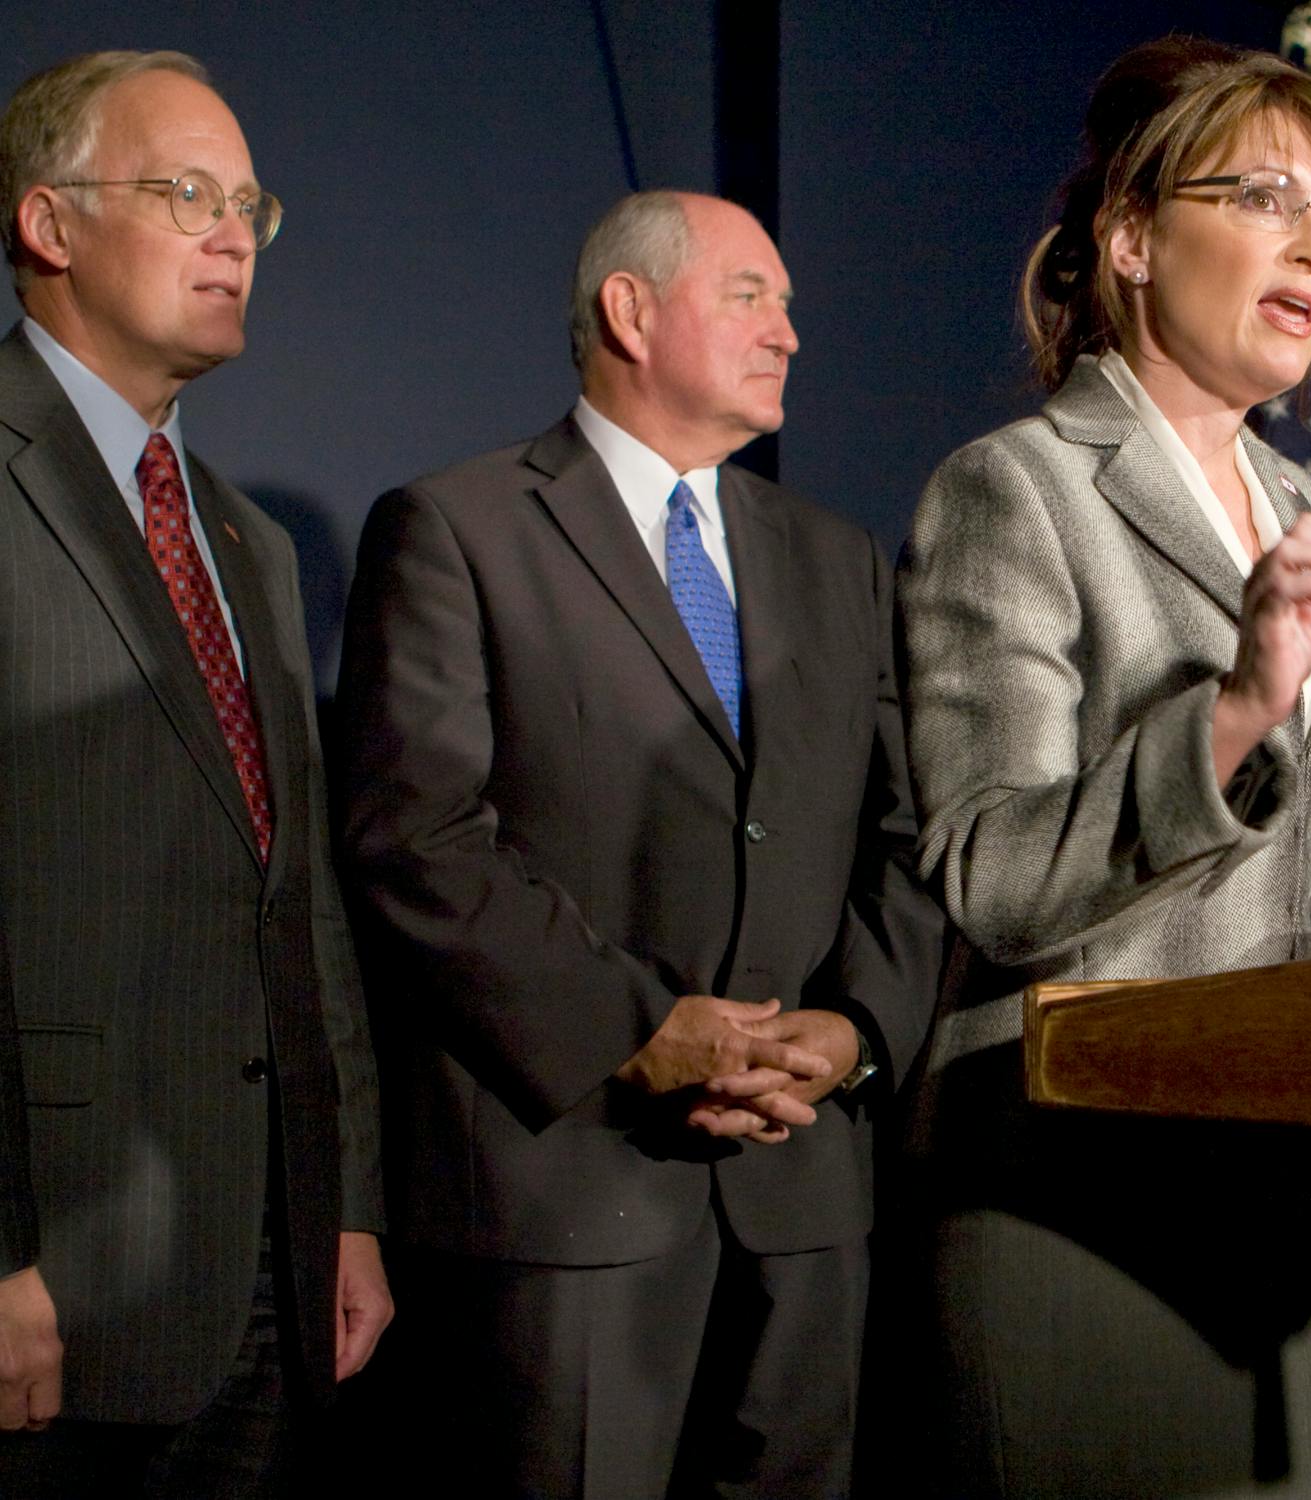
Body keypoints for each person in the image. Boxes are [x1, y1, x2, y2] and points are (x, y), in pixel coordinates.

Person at [893, 36, 1311, 1499]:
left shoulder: (1308, 495)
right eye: (1270, 197)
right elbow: (993, 874)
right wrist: (1229, 711)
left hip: (1288, 1189)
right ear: (1135, 239)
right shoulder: (1013, 489)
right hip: (1082, 1191)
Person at [333, 190, 941, 1499]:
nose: (790, 331)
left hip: (802, 1200)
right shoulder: (458, 529)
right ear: (628, 308)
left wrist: (853, 1038)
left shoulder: (837, 558)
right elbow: (416, 839)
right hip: (568, 1200)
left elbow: (907, 833)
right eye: (751, 296)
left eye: (787, 304)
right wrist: (641, 1026)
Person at [0, 49, 390, 1495]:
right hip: (57, 1275)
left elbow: (298, 903)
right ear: (49, 224)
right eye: (185, 193)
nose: (234, 233)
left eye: (249, 205)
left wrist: (344, 1209)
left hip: (263, 1278)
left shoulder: (247, 542)